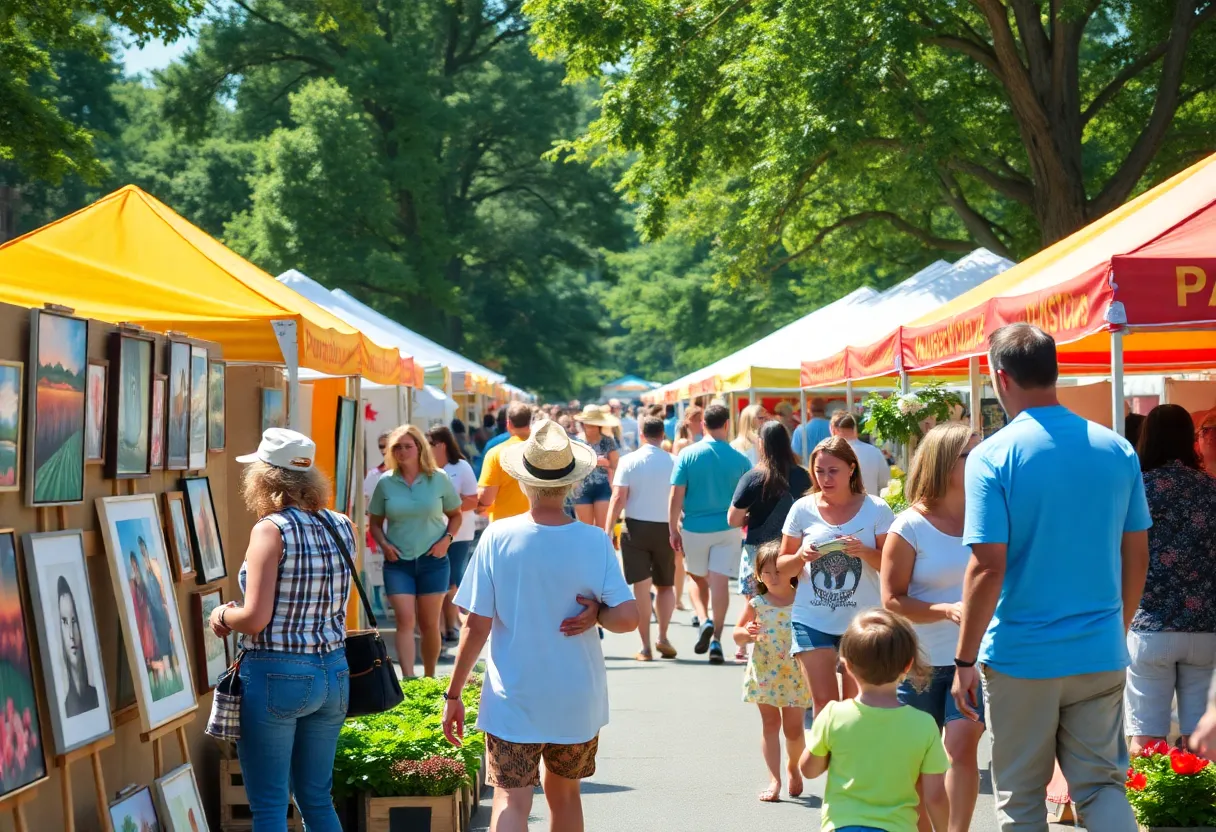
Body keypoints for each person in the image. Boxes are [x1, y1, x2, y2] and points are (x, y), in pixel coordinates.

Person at [952, 323, 1150, 832]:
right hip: (1098, 649)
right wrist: (1117, 627)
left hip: (1022, 656)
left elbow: (987, 566)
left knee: (1020, 800)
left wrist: (964, 659)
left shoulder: (991, 455)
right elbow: (1137, 554)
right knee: (1102, 789)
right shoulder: (1117, 449)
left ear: (1001, 378)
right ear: (1054, 371)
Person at [442, 419, 639, 832]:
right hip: (576, 695)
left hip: (514, 694)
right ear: (572, 484)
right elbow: (627, 619)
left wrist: (454, 693)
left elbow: (476, 625)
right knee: (565, 797)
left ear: (524, 481)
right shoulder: (594, 540)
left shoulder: (497, 537)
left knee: (510, 799)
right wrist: (597, 614)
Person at [211, 428, 354, 832]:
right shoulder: (342, 524)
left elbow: (255, 618)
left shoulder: (271, 529)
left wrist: (222, 615)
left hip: (278, 672)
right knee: (317, 799)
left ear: (265, 477)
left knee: (270, 807)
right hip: (334, 671)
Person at [880, 422, 984, 832]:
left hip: (971, 662)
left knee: (961, 750)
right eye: (970, 454)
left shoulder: (988, 518)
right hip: (919, 664)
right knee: (919, 763)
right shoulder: (909, 526)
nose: (981, 460)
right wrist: (944, 610)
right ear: (944, 462)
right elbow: (892, 599)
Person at [799, 609, 949, 832]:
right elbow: (935, 796)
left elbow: (809, 770)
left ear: (847, 665)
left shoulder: (833, 715)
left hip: (843, 826)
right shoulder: (924, 724)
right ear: (907, 665)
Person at [777, 437, 894, 716]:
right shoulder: (802, 508)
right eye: (819, 471)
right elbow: (782, 567)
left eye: (833, 471)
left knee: (857, 708)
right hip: (812, 619)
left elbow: (892, 566)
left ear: (851, 469)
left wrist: (864, 551)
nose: (825, 479)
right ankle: (826, 748)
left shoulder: (876, 509)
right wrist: (800, 557)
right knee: (825, 706)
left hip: (861, 622)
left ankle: (850, 747)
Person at [1126, 404, 1216, 756]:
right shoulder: (1210, 489)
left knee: (1146, 738)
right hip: (1205, 626)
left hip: (1150, 625)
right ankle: (1203, 794)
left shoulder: (1138, 489)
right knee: (1202, 741)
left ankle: (1149, 793)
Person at [369, 424, 463, 678]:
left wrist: (446, 541)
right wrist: (384, 545)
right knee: (405, 620)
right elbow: (374, 523)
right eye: (396, 447)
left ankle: (429, 678)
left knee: (429, 623)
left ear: (420, 448)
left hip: (433, 560)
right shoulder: (385, 482)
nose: (402, 451)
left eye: (407, 446)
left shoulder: (438, 478)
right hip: (397, 562)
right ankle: (409, 679)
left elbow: (455, 515)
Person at [669, 403, 752, 664]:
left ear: (703, 424)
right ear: (727, 425)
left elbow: (676, 495)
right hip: (728, 527)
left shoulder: (687, 455)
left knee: (696, 579)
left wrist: (672, 528)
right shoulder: (741, 459)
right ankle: (716, 638)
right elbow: (749, 497)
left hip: (694, 527)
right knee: (719, 582)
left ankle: (704, 618)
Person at [733, 542, 812, 802]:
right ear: (758, 575)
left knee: (794, 730)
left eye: (778, 571)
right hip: (765, 671)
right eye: (766, 572)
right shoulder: (757, 603)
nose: (773, 577)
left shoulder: (804, 600)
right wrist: (747, 633)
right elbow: (737, 635)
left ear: (793, 570)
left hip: (795, 673)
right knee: (770, 724)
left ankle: (793, 767)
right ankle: (774, 779)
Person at [606, 416, 677, 661]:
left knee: (641, 588)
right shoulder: (674, 461)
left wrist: (608, 529)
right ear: (663, 434)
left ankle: (645, 646)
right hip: (666, 527)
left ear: (641, 433)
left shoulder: (628, 461)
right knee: (666, 585)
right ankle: (663, 636)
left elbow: (618, 498)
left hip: (635, 527)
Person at [730, 421, 812, 600]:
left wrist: (748, 518)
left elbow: (733, 519)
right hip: (792, 550)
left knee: (756, 606)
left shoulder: (753, 477)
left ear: (762, 444)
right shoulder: (803, 476)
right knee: (793, 603)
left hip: (758, 551)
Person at [427, 425, 481, 643]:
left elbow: (473, 500)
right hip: (431, 532)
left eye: (429, 444)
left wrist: (445, 506)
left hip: (459, 533)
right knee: (437, 581)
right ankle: (443, 626)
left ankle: (450, 626)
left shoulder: (461, 467)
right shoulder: (427, 468)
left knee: (450, 580)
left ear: (441, 444)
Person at [477, 402, 534, 524]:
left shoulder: (496, 453)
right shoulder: (544, 451)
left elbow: (486, 497)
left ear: (509, 423)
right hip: (538, 524)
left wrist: (480, 507)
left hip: (504, 524)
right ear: (531, 423)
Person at [572, 404, 621, 529]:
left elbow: (616, 464)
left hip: (602, 488)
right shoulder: (576, 441)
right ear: (583, 424)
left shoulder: (607, 441)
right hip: (581, 489)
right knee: (585, 530)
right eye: (588, 424)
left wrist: (606, 463)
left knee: (602, 529)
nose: (590, 428)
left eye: (593, 424)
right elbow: (570, 465)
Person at [57, 576, 100, 717]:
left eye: (73, 620)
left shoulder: (97, 696)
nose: (71, 634)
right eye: (64, 622)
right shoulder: (65, 709)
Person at [829, 411, 889, 498]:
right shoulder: (874, 452)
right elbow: (885, 484)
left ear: (833, 430)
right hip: (870, 503)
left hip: (839, 504)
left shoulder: (830, 455)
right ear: (855, 428)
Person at [791, 397, 830, 463]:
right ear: (825, 410)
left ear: (809, 411)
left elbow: (795, 455)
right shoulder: (833, 427)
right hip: (829, 467)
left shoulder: (800, 430)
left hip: (806, 467)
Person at [362, 431, 391, 506]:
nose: (384, 450)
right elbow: (366, 499)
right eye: (381, 447)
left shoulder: (406, 472)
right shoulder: (373, 474)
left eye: (387, 446)